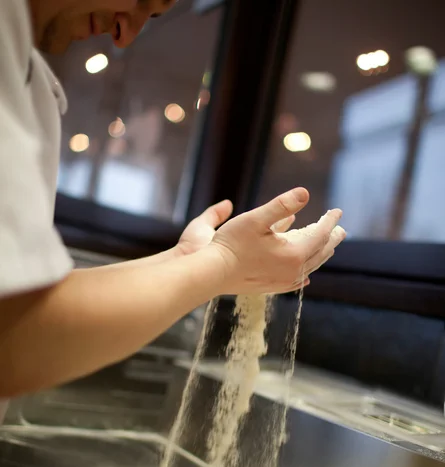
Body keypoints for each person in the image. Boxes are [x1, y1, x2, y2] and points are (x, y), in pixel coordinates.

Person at [0, 0, 346, 414]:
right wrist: (223, 264)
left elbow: (29, 296)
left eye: (155, 15)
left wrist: (186, 260)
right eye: (143, 0)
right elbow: (16, 339)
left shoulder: (22, 61)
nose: (126, 36)